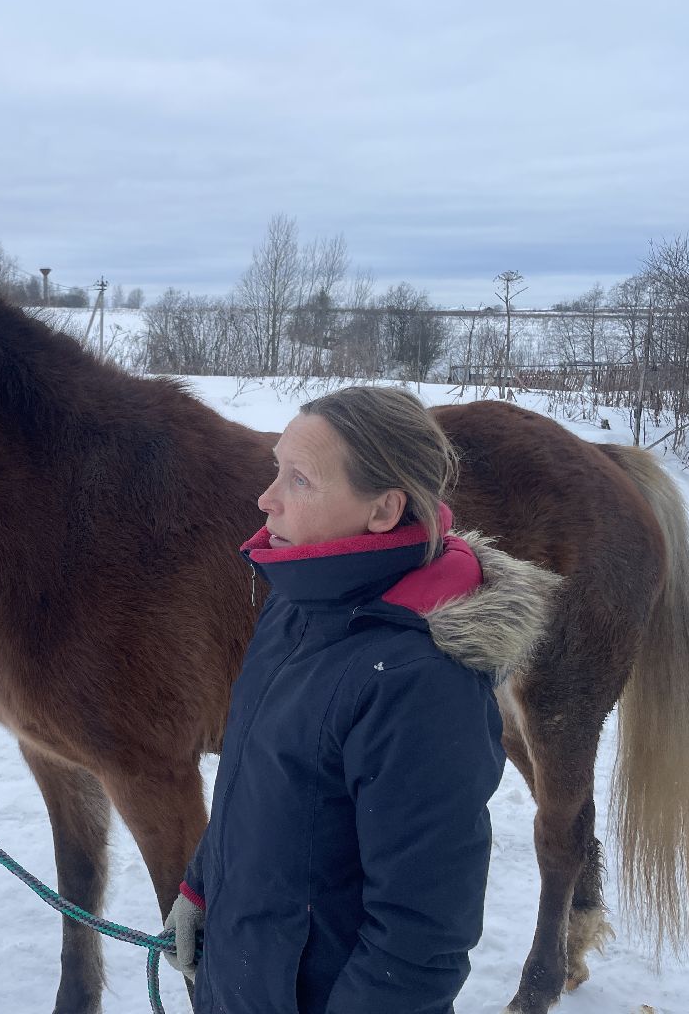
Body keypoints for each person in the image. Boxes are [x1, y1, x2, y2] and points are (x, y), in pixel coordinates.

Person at [163, 386, 560, 1013]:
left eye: (299, 480)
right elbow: (252, 786)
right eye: (276, 469)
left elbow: (420, 941)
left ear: (384, 509)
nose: (266, 500)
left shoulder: (419, 680)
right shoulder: (296, 608)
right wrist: (201, 886)